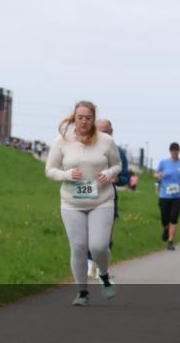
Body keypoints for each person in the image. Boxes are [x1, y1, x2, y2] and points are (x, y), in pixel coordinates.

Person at [45, 101, 122, 306]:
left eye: (88, 118)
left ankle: (104, 275)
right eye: (80, 117)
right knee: (78, 247)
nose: (84, 121)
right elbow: (50, 170)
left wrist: (108, 172)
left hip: (102, 200)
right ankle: (82, 292)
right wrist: (66, 174)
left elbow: (117, 165)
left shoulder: (105, 140)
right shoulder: (62, 140)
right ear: (74, 118)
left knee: (98, 246)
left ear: (93, 119)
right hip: (71, 202)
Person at [86, 118, 126, 281]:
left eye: (106, 132)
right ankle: (90, 265)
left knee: (106, 237)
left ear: (112, 132)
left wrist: (112, 178)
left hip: (108, 196)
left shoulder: (118, 152)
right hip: (88, 194)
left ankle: (102, 269)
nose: (103, 134)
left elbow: (124, 177)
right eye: (100, 131)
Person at [156, 142, 180, 251]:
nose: (174, 152)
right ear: (170, 151)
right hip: (164, 194)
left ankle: (170, 241)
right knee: (164, 218)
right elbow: (156, 174)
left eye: (176, 150)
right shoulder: (163, 162)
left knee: (174, 218)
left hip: (178, 195)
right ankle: (166, 229)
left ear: (179, 151)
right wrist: (158, 175)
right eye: (172, 150)